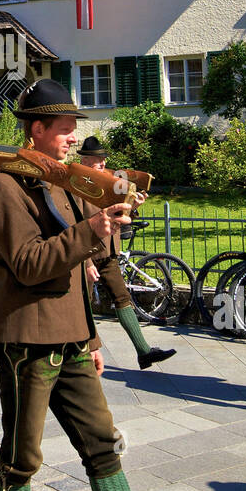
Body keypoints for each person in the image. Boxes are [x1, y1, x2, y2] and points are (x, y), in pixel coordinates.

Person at [0, 79, 214, 491]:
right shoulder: (4, 187)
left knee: (103, 449)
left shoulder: (64, 183)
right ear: (36, 129)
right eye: (64, 130)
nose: (72, 138)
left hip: (71, 338)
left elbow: (83, 265)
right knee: (22, 460)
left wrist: (90, 334)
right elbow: (31, 264)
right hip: (26, 342)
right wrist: (92, 228)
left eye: (73, 130)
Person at [77, 135, 176, 370]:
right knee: (83, 303)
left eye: (104, 159)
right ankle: (82, 353)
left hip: (108, 252)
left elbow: (121, 218)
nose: (103, 163)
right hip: (85, 255)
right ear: (85, 160)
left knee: (122, 298)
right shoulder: (77, 183)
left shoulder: (109, 182)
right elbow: (74, 225)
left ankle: (144, 352)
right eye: (98, 159)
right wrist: (87, 262)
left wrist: (135, 207)